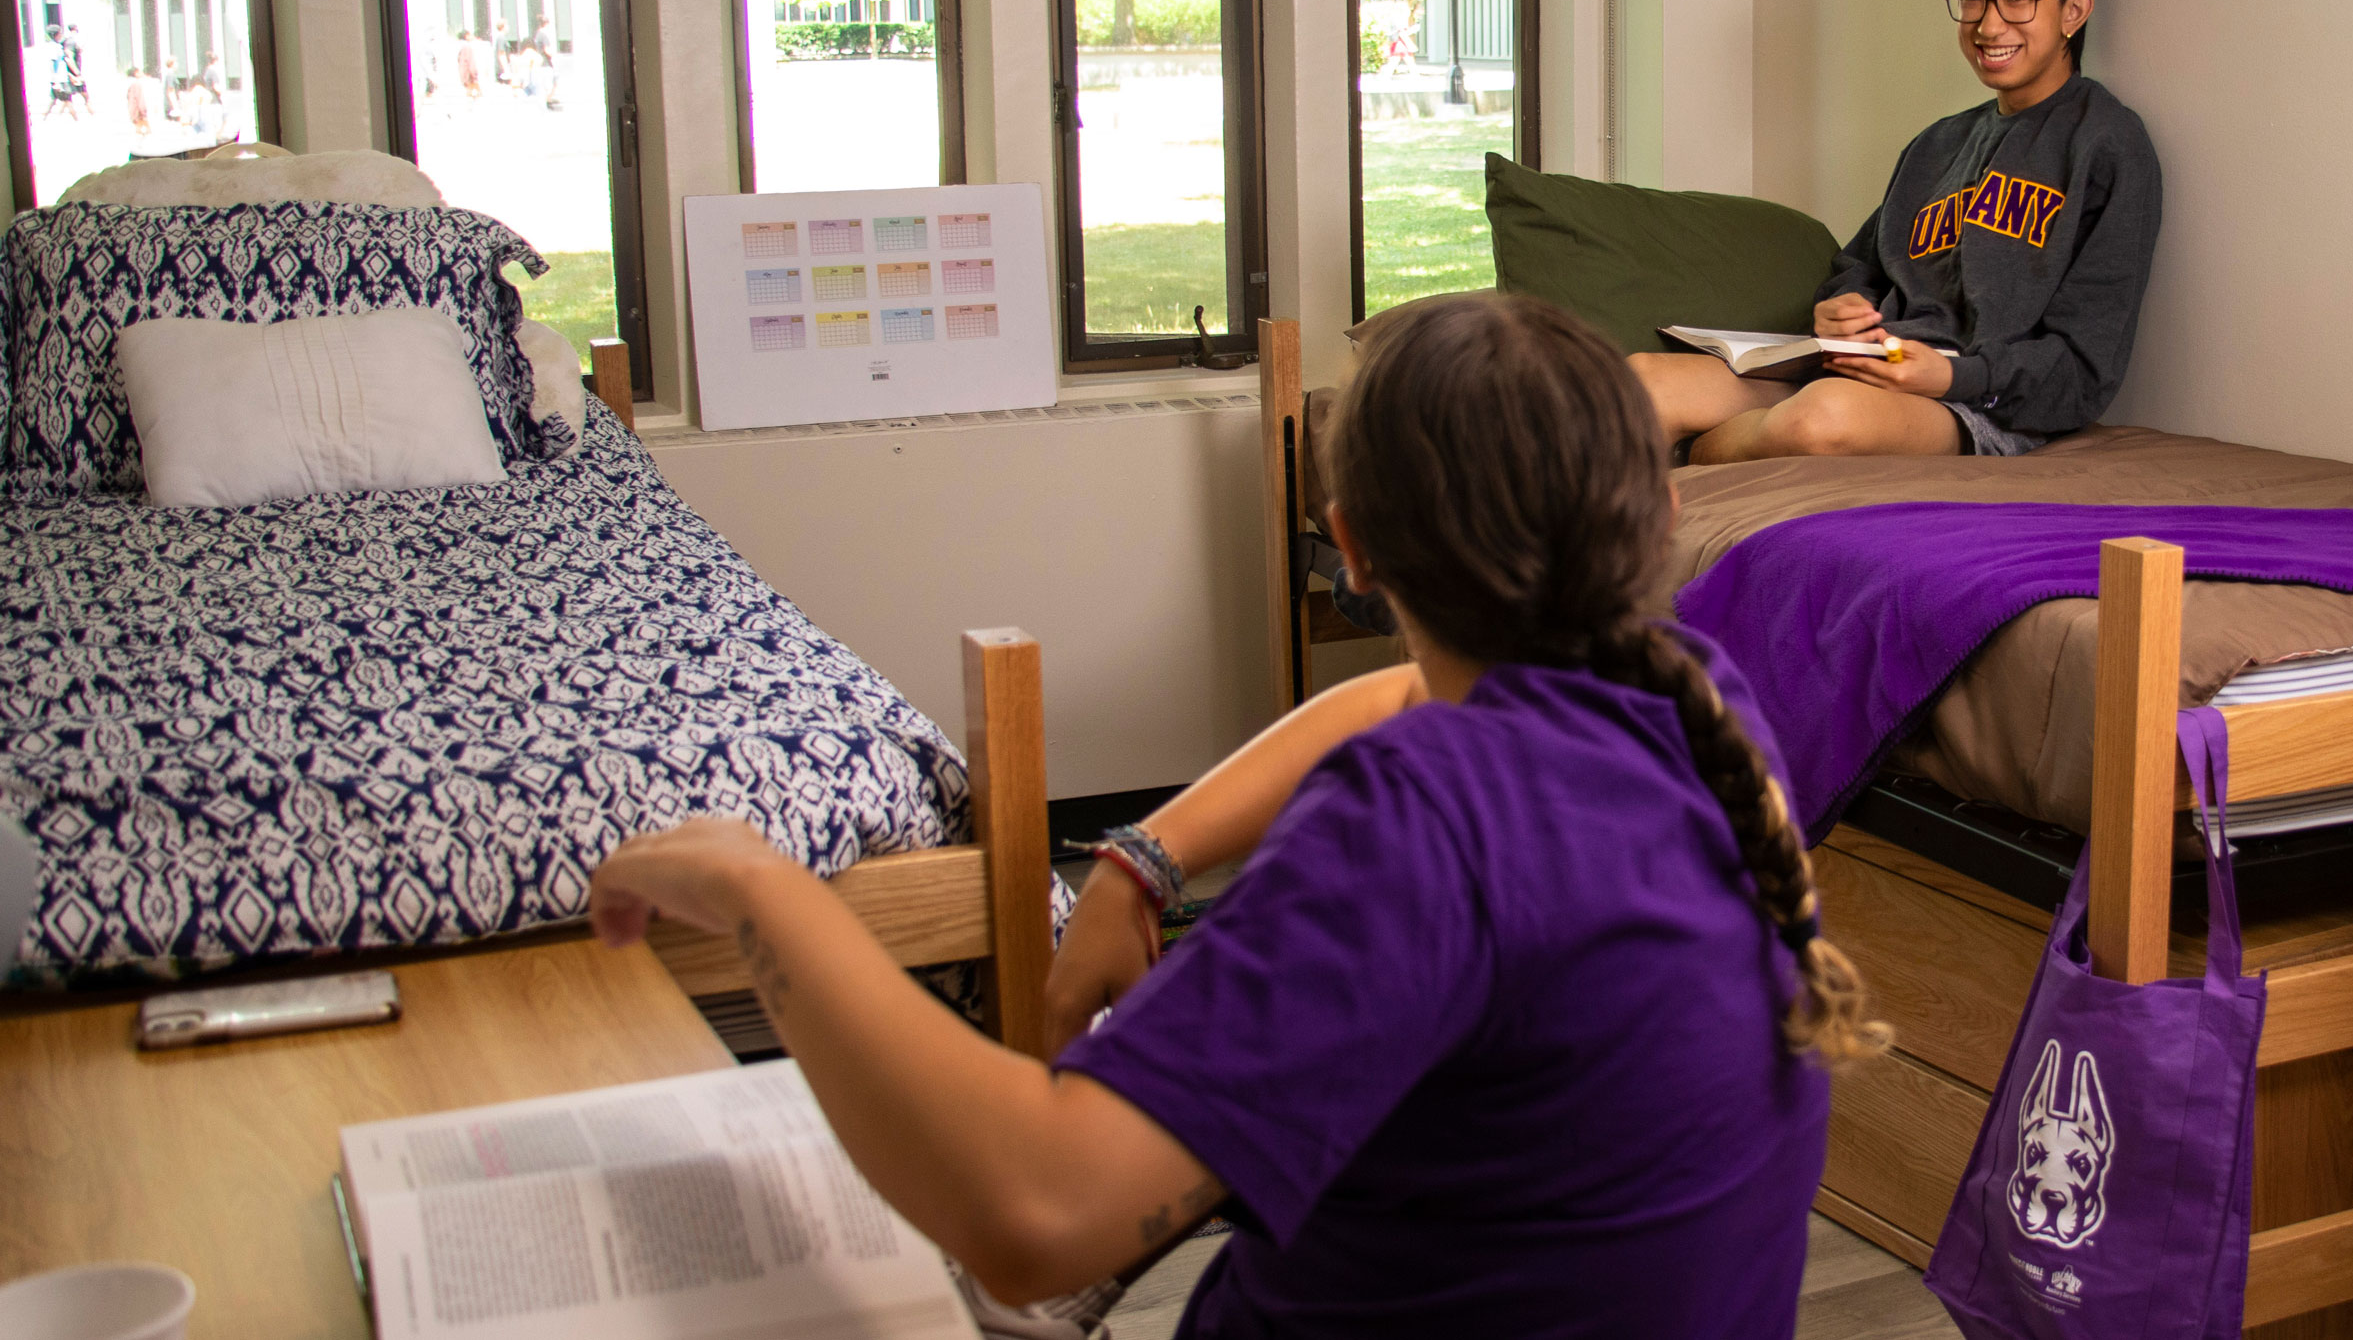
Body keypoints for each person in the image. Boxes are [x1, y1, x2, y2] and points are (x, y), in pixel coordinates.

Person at [587, 292, 1881, 1334]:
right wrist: (1142, 860)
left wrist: (766, 887)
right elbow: (1394, 700)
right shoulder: (1698, 709)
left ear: (1353, 550)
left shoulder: (1423, 816)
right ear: (1656, 513)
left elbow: (1033, 1215)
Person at [1633, 0, 2161, 463]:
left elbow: (2086, 362)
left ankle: (1678, 470)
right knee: (1638, 383)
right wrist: (1842, 309)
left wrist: (1953, 375)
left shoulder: (2108, 143)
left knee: (1821, 419)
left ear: (2074, 11)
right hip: (1869, 368)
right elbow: (1860, 268)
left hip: (1978, 401)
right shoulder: (1936, 145)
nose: (1988, 24)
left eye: (2018, 0)